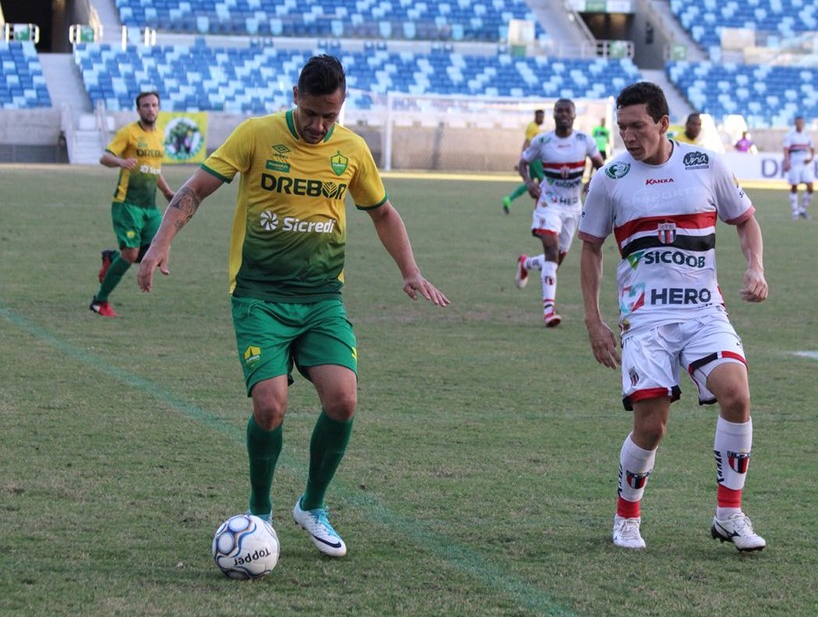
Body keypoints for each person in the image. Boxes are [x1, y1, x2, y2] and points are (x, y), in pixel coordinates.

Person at [137, 54, 449, 558]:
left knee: (343, 400)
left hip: (322, 297)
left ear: (342, 106)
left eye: (330, 116)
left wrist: (409, 270)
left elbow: (383, 212)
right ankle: (259, 512)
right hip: (259, 295)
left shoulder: (352, 150)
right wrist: (159, 244)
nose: (319, 126)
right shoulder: (256, 135)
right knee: (269, 406)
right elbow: (194, 190)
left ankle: (312, 505)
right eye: (311, 113)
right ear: (295, 97)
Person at [579, 81, 768, 553]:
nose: (629, 135)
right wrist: (593, 319)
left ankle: (729, 515)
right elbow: (591, 247)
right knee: (651, 427)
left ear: (664, 123)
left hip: (705, 311)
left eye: (638, 126)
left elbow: (745, 219)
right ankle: (626, 518)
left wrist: (755, 267)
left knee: (736, 395)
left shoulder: (705, 165)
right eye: (622, 127)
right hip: (645, 320)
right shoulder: (611, 176)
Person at [514, 98, 604, 327]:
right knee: (552, 251)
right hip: (548, 204)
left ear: (574, 116)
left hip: (573, 207)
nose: (564, 114)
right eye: (559, 111)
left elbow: (600, 164)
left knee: (555, 259)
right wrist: (529, 183)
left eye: (568, 111)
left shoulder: (585, 140)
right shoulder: (542, 141)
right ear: (554, 115)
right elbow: (522, 163)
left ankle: (526, 263)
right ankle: (549, 310)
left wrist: (592, 180)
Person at [91, 91, 175, 317]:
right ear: (138, 110)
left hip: (150, 206)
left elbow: (154, 169)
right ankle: (100, 301)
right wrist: (121, 161)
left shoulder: (159, 136)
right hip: (127, 203)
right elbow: (105, 157)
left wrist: (167, 192)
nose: (150, 109)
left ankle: (112, 259)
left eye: (154, 105)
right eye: (146, 105)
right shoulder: (128, 133)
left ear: (159, 108)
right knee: (131, 255)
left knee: (158, 249)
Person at [502, 109, 545, 214]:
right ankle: (542, 207)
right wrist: (522, 160)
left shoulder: (535, 127)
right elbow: (527, 144)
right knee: (544, 181)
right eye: (540, 117)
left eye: (542, 117)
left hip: (533, 158)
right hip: (535, 159)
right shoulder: (532, 127)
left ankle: (508, 199)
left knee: (530, 183)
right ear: (535, 116)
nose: (542, 119)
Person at [782, 116, 815, 220]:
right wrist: (787, 162)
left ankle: (802, 209)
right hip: (794, 164)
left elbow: (812, 148)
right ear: (795, 124)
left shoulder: (807, 135)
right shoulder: (790, 136)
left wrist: (811, 158)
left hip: (804, 164)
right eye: (798, 123)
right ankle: (795, 211)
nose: (800, 125)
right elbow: (786, 149)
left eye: (801, 123)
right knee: (794, 186)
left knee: (810, 187)